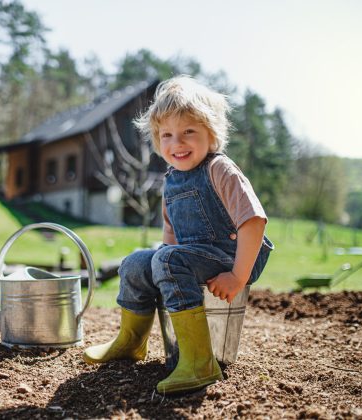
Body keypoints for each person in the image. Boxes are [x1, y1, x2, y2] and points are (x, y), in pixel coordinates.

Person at [83, 75, 274, 394]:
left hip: (233, 257)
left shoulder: (220, 169)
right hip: (191, 258)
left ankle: (201, 363)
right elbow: (170, 240)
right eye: (167, 135)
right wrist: (155, 269)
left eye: (189, 132)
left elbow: (253, 222)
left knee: (168, 260)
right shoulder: (170, 181)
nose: (177, 143)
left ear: (211, 135)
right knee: (135, 262)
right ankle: (131, 342)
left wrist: (238, 276)